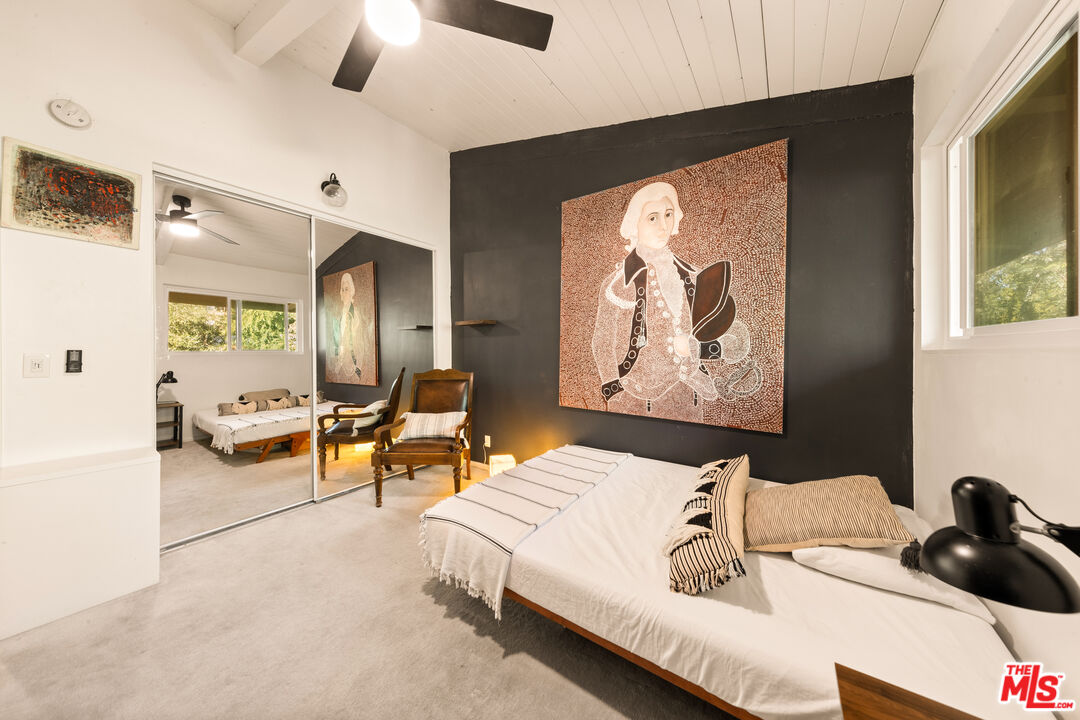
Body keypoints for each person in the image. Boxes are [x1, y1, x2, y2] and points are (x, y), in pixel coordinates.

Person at [591, 181, 741, 419]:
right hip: (634, 400)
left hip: (690, 398)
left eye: (668, 215)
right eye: (652, 218)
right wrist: (614, 390)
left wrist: (697, 348)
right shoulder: (616, 284)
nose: (663, 226)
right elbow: (602, 342)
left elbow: (738, 340)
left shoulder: (695, 276)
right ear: (634, 224)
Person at [331, 272, 364, 382]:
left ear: (352, 291)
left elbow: (359, 340)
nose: (344, 293)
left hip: (352, 360)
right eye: (343, 289)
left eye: (347, 289)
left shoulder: (355, 313)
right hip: (342, 361)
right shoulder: (340, 314)